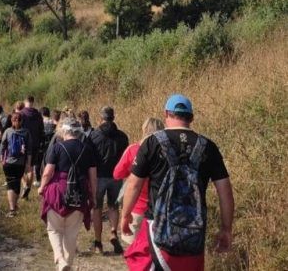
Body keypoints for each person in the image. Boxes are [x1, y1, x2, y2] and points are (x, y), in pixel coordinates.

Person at [121, 94, 234, 271]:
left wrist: (125, 214)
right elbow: (225, 191)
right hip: (194, 233)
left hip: (156, 229)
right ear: (192, 118)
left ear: (166, 114)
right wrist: (226, 228)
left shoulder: (152, 143)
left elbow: (134, 184)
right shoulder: (208, 147)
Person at [38, 118, 97, 271]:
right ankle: (67, 264)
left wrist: (42, 187)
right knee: (72, 233)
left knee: (54, 229)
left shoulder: (57, 147)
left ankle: (59, 257)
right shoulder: (87, 149)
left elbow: (48, 172)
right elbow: (93, 175)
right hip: (79, 191)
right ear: (79, 132)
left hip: (58, 190)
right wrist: (93, 196)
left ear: (64, 131)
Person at [113, 117, 164, 245]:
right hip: (160, 209)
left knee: (135, 252)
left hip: (135, 208)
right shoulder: (167, 152)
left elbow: (117, 174)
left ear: (143, 130)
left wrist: (131, 173)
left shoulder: (133, 150)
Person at [89, 106, 129, 255]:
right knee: (114, 206)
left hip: (98, 176)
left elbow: (90, 158)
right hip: (116, 176)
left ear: (101, 118)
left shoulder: (94, 136)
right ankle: (113, 232)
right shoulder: (123, 136)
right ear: (113, 117)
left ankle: (98, 243)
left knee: (97, 208)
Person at [0, 112, 32, 217]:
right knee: (17, 183)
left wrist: (2, 158)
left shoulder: (8, 131)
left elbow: (2, 145)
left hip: (8, 163)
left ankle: (12, 209)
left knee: (10, 184)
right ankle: (15, 204)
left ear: (12, 121)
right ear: (22, 121)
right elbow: (29, 150)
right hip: (20, 163)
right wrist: (28, 163)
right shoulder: (26, 132)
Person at [20, 95, 44, 199]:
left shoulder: (21, 114)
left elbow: (18, 128)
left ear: (25, 101)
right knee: (31, 167)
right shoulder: (38, 114)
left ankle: (25, 185)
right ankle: (28, 189)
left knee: (21, 167)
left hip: (23, 144)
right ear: (33, 102)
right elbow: (41, 129)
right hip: (35, 144)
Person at [34, 107, 56, 186]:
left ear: (41, 114)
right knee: (49, 162)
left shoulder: (39, 122)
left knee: (38, 163)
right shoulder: (53, 123)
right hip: (51, 146)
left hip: (41, 145)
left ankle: (38, 180)